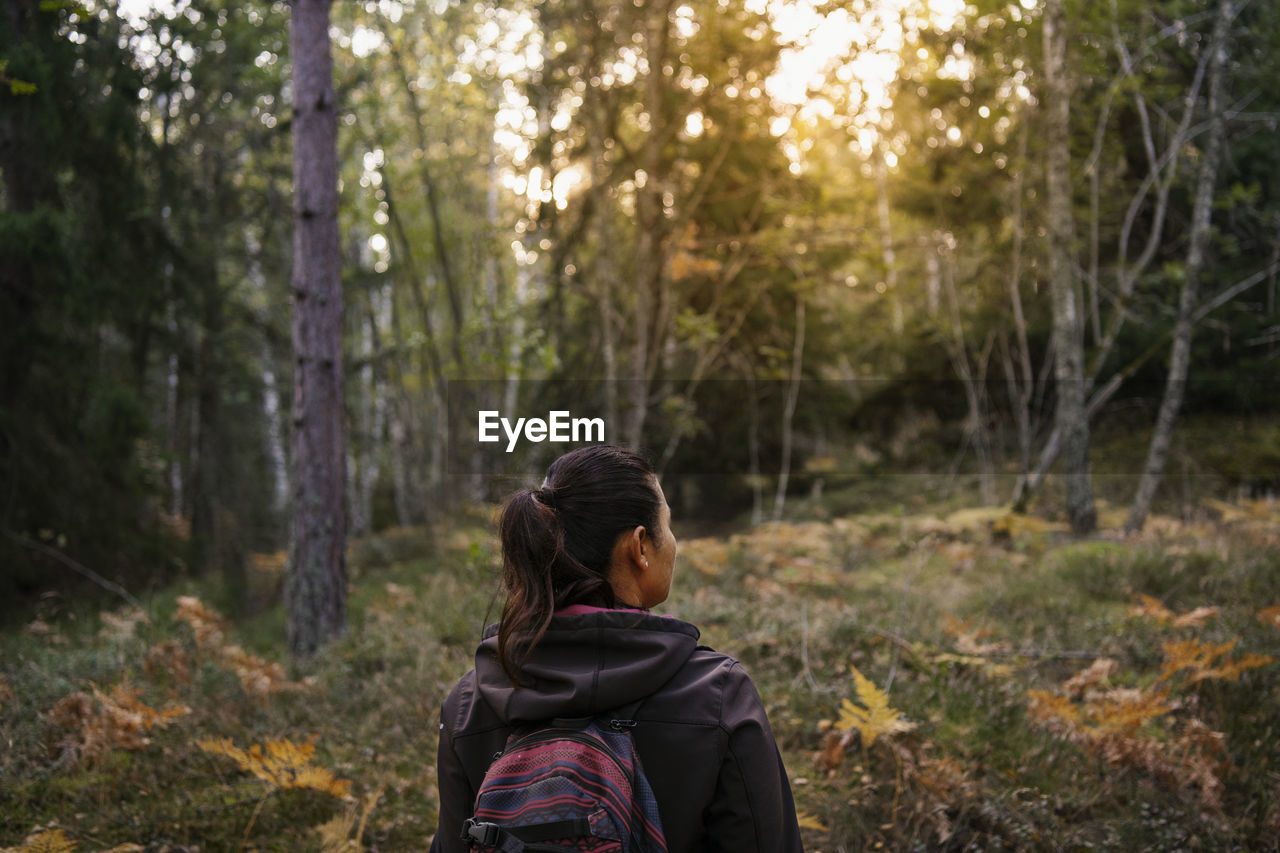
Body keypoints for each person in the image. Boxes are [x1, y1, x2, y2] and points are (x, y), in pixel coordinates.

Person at [428, 445, 805, 852]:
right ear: (640, 546)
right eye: (669, 525)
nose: (674, 543)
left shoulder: (471, 701)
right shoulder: (718, 694)